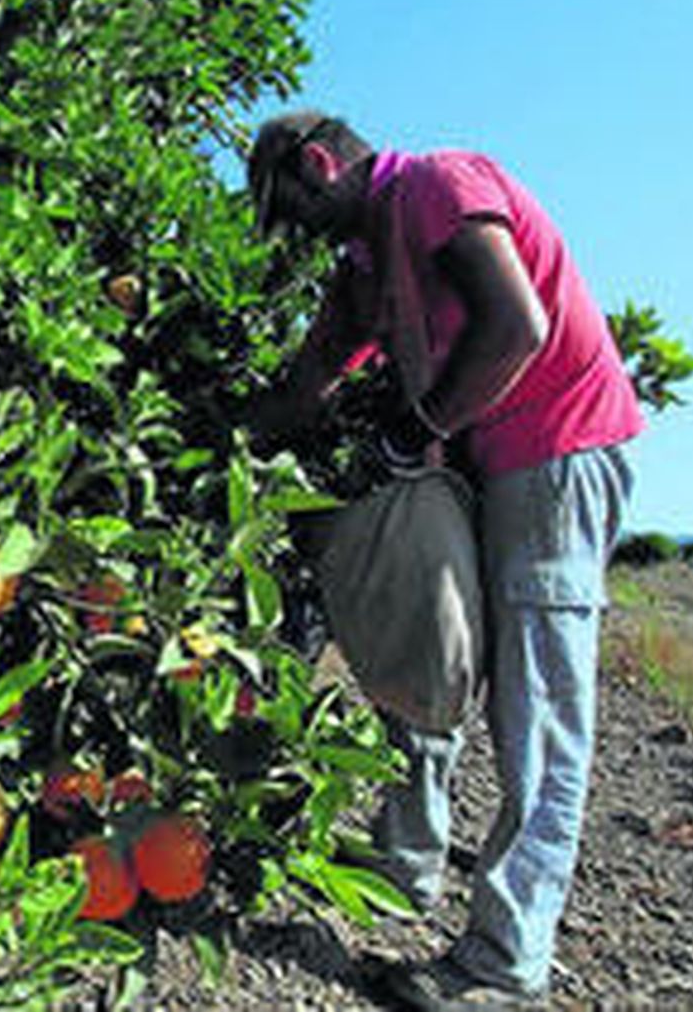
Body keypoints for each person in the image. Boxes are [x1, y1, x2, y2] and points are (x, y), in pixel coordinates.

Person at [244, 111, 644, 1010]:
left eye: (300, 213)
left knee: (537, 708)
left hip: (558, 451)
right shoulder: (368, 260)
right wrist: (206, 441)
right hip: (490, 459)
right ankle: (410, 864)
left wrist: (413, 430)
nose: (306, 239)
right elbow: (310, 383)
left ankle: (504, 963)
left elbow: (517, 324)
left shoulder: (435, 187)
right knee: (436, 641)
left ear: (321, 164)